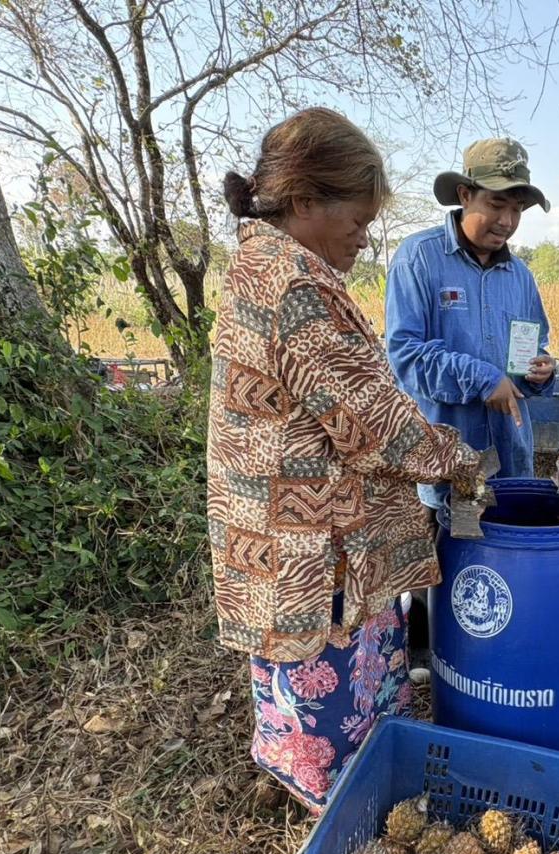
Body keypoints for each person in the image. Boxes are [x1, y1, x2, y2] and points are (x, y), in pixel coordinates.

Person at [208, 108, 481, 813]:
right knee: (331, 693)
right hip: (313, 547)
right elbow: (377, 429)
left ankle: (307, 783)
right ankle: (344, 814)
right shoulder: (297, 285)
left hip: (274, 534)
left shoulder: (260, 263)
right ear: (303, 202)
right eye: (356, 220)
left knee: (296, 685)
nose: (365, 237)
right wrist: (457, 459)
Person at [385, 138, 555, 676]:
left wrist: (539, 373)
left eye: (516, 210)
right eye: (496, 204)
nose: (506, 220)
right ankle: (433, 658)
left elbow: (528, 356)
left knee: (494, 556)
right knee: (440, 557)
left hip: (505, 448)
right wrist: (484, 378)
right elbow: (406, 356)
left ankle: (487, 655)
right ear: (464, 195)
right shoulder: (420, 258)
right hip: (443, 447)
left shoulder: (520, 278)